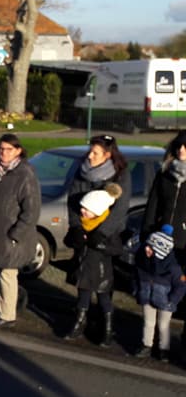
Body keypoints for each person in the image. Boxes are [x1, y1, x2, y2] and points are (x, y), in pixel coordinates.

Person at [63, 135, 131, 345]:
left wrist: (102, 232)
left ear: (107, 155)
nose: (90, 156)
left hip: (105, 237)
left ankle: (106, 326)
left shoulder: (119, 175)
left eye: (95, 153)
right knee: (83, 278)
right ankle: (80, 319)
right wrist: (76, 227)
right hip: (83, 232)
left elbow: (120, 209)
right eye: (90, 151)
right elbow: (73, 198)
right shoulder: (82, 171)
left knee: (103, 282)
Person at [0, 133, 41, 328]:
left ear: (18, 151)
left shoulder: (25, 175)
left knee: (7, 275)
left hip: (10, 237)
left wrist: (15, 235)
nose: (3, 153)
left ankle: (7, 315)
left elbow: (31, 211)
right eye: (1, 149)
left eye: (9, 149)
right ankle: (4, 306)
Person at [142, 130, 186, 359]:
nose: (181, 151)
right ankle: (152, 342)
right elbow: (152, 206)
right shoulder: (165, 175)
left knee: (177, 291)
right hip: (159, 241)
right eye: (179, 146)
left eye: (185, 147)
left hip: (182, 245)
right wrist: (147, 234)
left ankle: (170, 343)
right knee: (157, 288)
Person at [133, 225, 186, 362]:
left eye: (151, 248)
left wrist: (172, 300)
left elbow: (180, 286)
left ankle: (164, 349)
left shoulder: (173, 267)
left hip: (165, 301)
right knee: (148, 322)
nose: (146, 249)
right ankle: (146, 345)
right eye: (147, 246)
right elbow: (135, 277)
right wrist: (137, 291)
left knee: (163, 325)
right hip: (147, 296)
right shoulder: (142, 261)